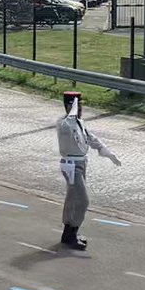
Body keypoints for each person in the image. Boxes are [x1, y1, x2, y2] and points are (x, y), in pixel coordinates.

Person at [55, 92, 121, 251]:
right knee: (82, 200)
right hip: (71, 165)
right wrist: (71, 111)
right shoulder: (64, 124)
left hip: (81, 163)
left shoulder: (79, 123)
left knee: (72, 199)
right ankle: (72, 232)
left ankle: (68, 234)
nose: (81, 108)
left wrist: (106, 151)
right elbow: (65, 128)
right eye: (78, 105)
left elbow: (90, 138)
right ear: (71, 106)